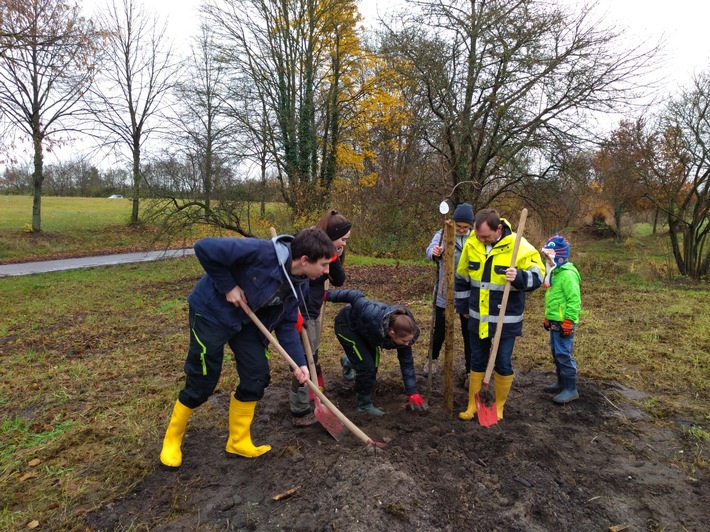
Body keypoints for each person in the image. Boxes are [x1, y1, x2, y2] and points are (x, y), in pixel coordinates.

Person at [159, 227, 336, 469]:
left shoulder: (300, 283)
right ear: (305, 260)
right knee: (202, 381)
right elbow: (204, 247)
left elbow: (285, 324)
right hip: (212, 313)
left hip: (247, 320)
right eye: (324, 265)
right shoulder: (260, 252)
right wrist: (228, 286)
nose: (327, 271)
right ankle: (172, 439)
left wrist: (299, 363)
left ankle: (238, 441)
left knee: (257, 376)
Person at [454, 208, 545, 421]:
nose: (481, 240)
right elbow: (462, 277)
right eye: (478, 236)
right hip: (478, 317)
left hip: (506, 319)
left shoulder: (519, 246)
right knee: (477, 361)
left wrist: (520, 277)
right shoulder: (472, 244)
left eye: (486, 236)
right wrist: (463, 307)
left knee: (503, 362)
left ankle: (498, 406)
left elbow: (539, 275)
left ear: (499, 229)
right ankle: (473, 405)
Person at [291, 210, 351, 427]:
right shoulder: (309, 248)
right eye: (343, 238)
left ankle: (310, 395)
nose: (345, 243)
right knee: (304, 359)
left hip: (313, 308)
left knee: (311, 356)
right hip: (303, 308)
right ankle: (299, 409)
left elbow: (339, 279)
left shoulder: (326, 252)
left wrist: (334, 253)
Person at [326, 289, 427, 415]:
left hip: (367, 333)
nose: (407, 344)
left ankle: (349, 360)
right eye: (404, 341)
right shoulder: (371, 313)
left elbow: (407, 363)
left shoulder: (405, 331)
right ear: (392, 333)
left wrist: (413, 392)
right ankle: (364, 406)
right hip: (347, 326)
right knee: (367, 368)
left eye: (409, 341)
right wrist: (327, 295)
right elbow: (354, 295)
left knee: (373, 364)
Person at [425, 202, 474, 382]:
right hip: (445, 291)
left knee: (468, 332)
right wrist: (435, 252)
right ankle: (433, 360)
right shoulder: (443, 234)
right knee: (440, 330)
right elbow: (429, 250)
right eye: (458, 226)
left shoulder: (475, 238)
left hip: (468, 292)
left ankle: (470, 370)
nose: (461, 230)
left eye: (465, 227)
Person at [541, 234, 582, 404]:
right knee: (556, 352)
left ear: (558, 256)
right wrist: (548, 318)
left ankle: (570, 389)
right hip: (555, 322)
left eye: (549, 257)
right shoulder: (555, 273)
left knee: (564, 353)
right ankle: (561, 382)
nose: (547, 261)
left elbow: (574, 300)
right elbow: (553, 299)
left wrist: (569, 321)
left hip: (564, 323)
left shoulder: (567, 275)